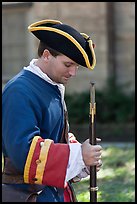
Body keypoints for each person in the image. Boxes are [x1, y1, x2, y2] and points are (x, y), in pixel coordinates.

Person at [2, 19, 103, 202]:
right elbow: (23, 153)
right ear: (47, 55)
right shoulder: (19, 91)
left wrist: (83, 155)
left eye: (76, 67)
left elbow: (54, 135)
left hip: (55, 193)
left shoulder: (50, 86)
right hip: (29, 195)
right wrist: (79, 154)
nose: (73, 73)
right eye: (68, 64)